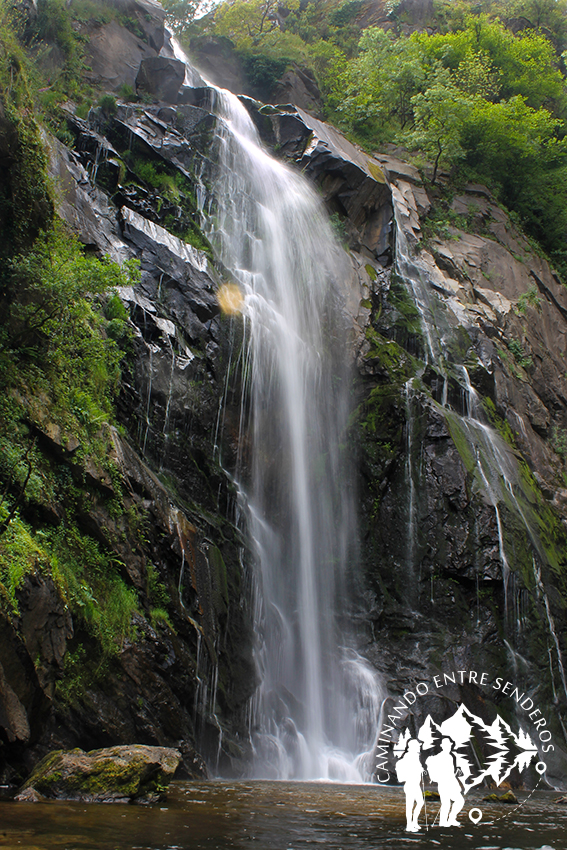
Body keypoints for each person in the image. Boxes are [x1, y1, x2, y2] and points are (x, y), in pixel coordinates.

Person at [426, 737, 465, 827]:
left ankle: (450, 819)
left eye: (449, 744)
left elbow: (449, 772)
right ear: (442, 746)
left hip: (451, 782)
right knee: (447, 803)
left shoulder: (450, 756)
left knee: (459, 801)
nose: (448, 746)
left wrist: (456, 773)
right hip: (444, 783)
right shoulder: (440, 757)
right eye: (446, 745)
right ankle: (444, 822)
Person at [395, 738, 424, 832]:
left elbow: (417, 768)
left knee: (420, 802)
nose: (419, 747)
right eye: (418, 746)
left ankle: (414, 822)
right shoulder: (408, 757)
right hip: (410, 784)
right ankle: (409, 825)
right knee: (410, 805)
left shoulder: (415, 756)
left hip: (416, 784)